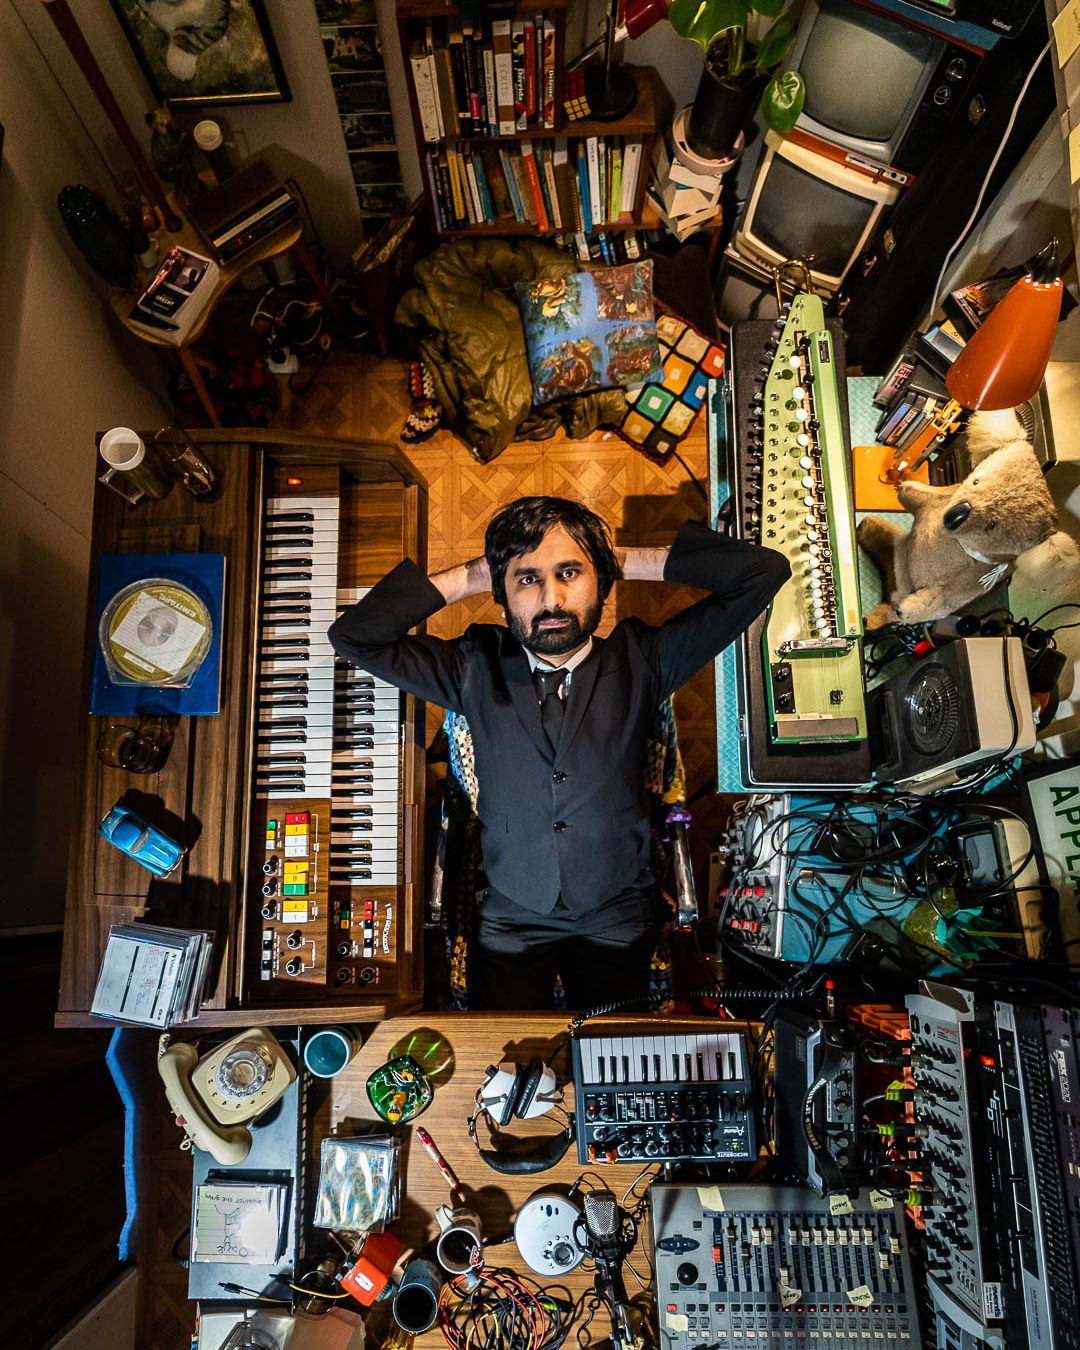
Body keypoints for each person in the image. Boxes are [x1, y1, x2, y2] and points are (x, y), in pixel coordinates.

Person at [328, 497, 789, 1010]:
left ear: (600, 580)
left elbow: (763, 573)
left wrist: (620, 560)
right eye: (527, 579)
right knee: (504, 1048)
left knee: (610, 1047)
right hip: (513, 907)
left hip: (616, 907)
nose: (552, 599)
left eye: (570, 572)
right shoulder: (473, 666)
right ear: (502, 591)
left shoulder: (644, 659)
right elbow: (355, 636)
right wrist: (474, 575)